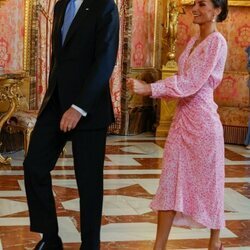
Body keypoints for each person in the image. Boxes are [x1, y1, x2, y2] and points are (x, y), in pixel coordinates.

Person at [127, 0, 228, 249]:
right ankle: (158, 246)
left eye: (202, 4)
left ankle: (215, 242)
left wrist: (151, 88)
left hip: (204, 125)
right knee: (170, 182)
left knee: (210, 183)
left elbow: (192, 82)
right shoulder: (194, 41)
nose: (194, 8)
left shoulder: (217, 43)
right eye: (194, 3)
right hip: (182, 122)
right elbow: (183, 79)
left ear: (217, 10)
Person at [23, 0, 119, 249]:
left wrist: (79, 107)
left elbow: (105, 60)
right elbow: (60, 58)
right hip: (56, 102)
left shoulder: (104, 6)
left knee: (88, 182)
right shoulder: (61, 5)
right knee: (34, 165)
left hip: (89, 108)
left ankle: (90, 245)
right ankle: (50, 239)